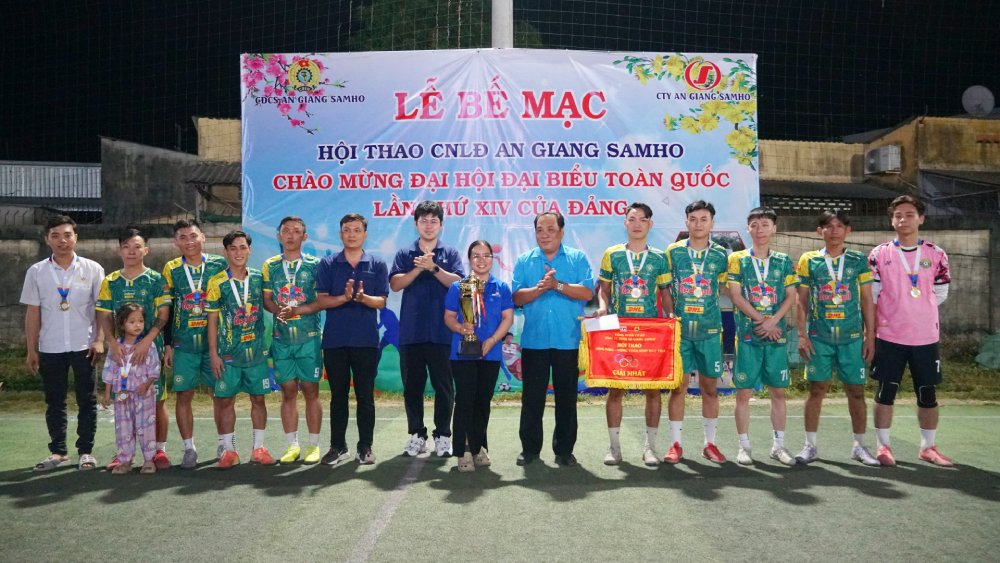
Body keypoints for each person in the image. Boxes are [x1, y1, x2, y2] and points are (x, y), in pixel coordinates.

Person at [289, 214, 388, 466]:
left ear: (365, 234)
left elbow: (382, 301)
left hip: (366, 341)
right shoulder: (329, 263)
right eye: (347, 230)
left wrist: (365, 298)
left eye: (357, 230)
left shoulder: (376, 263)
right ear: (340, 234)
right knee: (338, 396)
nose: (352, 234)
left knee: (365, 396)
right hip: (335, 341)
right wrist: (344, 298)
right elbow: (321, 301)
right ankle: (337, 446)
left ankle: (365, 447)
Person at [868, 196, 953, 467]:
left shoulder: (936, 254)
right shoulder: (879, 254)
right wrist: (896, 312)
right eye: (898, 216)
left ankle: (928, 448)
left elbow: (940, 292)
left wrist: (917, 309)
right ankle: (883, 446)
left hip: (925, 337)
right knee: (886, 391)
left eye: (909, 214)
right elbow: (873, 295)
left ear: (921, 218)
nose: (903, 220)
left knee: (927, 393)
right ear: (892, 221)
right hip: (889, 336)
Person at [795, 209, 879, 466]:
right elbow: (801, 301)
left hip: (852, 338)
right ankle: (810, 446)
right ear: (820, 231)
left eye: (839, 226)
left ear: (848, 230)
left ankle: (860, 446)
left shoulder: (857, 260)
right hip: (819, 337)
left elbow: (867, 300)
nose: (834, 231)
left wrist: (869, 336)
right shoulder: (809, 260)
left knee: (855, 391)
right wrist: (802, 335)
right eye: (828, 226)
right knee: (816, 389)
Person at [21, 215, 105, 471]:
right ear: (47, 239)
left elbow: (102, 309)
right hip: (50, 346)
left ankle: (86, 451)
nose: (62, 240)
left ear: (76, 237)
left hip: (85, 345)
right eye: (55, 235)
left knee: (87, 400)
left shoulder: (93, 269)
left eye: (67, 235)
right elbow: (33, 313)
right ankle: (58, 452)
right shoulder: (36, 272)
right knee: (54, 401)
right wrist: (31, 349)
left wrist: (100, 340)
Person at [512, 212, 595, 467]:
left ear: (561, 231)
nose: (544, 234)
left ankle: (564, 451)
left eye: (550, 228)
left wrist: (557, 285)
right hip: (534, 341)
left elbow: (587, 291)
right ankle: (530, 449)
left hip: (567, 341)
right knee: (532, 398)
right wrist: (540, 288)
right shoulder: (525, 260)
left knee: (567, 399)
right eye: (539, 229)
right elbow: (515, 298)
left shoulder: (577, 258)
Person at [595, 202, 672, 467]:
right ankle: (614, 448)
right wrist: (603, 308)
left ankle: (650, 448)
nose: (637, 223)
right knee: (616, 389)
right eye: (632, 218)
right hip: (619, 330)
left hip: (650, 332)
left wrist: (670, 316)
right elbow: (603, 288)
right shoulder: (612, 254)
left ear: (650, 224)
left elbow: (664, 292)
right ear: (625, 223)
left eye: (642, 219)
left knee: (653, 391)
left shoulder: (660, 257)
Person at [389, 201, 464, 458]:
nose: (429, 225)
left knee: (444, 386)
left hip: (443, 333)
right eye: (424, 221)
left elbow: (459, 283)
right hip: (412, 332)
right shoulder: (404, 254)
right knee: (413, 386)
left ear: (441, 225)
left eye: (434, 221)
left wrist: (433, 268)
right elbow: (396, 285)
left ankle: (443, 435)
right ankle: (416, 435)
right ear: (416, 224)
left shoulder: (450, 254)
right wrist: (417, 268)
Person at [726, 207, 798, 466]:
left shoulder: (783, 260)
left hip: (776, 336)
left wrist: (774, 321)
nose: (760, 230)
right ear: (748, 229)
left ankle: (779, 446)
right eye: (755, 225)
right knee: (743, 393)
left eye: (765, 224)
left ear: (774, 228)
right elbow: (735, 295)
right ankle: (744, 447)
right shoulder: (737, 259)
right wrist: (762, 321)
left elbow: (792, 295)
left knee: (778, 392)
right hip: (748, 336)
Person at [96, 227, 172, 471]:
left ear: (145, 250)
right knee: (123, 404)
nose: (132, 251)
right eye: (127, 246)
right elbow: (104, 314)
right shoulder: (110, 281)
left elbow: (163, 314)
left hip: (149, 348)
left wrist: (148, 340)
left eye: (137, 246)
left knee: (156, 401)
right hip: (122, 352)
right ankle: (124, 454)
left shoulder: (156, 279)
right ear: (120, 250)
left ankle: (158, 450)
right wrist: (111, 341)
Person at [663, 200, 730, 464]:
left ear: (712, 223)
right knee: (677, 388)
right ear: (686, 222)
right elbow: (665, 287)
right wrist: (670, 313)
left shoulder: (722, 255)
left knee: (710, 389)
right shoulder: (673, 252)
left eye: (704, 219)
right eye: (693, 219)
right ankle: (675, 444)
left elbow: (727, 289)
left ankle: (710, 444)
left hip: (710, 331)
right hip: (680, 332)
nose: (698, 224)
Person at [162, 219, 229, 469]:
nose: (189, 241)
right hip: (184, 344)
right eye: (182, 237)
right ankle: (189, 448)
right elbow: (166, 307)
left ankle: (224, 444)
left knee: (220, 395)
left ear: (203, 237)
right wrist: (168, 344)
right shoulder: (171, 268)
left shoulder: (219, 264)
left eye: (193, 236)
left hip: (216, 344)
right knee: (184, 396)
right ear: (175, 241)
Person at [443, 240, 514, 472]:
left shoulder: (501, 287)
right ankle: (463, 450)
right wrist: (460, 328)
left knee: (483, 402)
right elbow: (449, 318)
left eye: (486, 256)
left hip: (490, 354)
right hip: (463, 354)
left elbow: (507, 319)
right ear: (469, 259)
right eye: (476, 256)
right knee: (465, 401)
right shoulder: (460, 287)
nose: (481, 260)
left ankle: (478, 446)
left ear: (492, 259)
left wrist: (493, 341)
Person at [207, 230, 273, 469]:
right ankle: (229, 451)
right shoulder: (216, 282)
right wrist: (213, 353)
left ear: (249, 250)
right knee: (225, 401)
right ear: (226, 252)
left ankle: (258, 448)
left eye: (242, 247)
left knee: (259, 399)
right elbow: (212, 321)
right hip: (228, 355)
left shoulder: (258, 278)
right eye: (233, 248)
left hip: (255, 352)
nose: (238, 252)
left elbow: (269, 304)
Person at [261, 217, 324, 465]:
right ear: (278, 236)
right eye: (285, 231)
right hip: (282, 339)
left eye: (296, 231)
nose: (290, 235)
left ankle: (314, 445)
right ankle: (292, 446)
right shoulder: (270, 265)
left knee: (311, 391)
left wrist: (297, 311)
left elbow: (320, 301)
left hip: (308, 338)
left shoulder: (316, 265)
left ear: (304, 237)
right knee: (287, 392)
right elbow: (266, 300)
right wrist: (279, 311)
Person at [101, 303, 160, 474]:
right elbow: (109, 371)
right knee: (123, 428)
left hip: (144, 395)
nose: (137, 325)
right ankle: (125, 460)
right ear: (121, 324)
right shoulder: (116, 348)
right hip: (122, 396)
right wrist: (107, 394)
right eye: (132, 321)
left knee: (146, 427)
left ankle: (149, 460)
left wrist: (146, 385)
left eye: (140, 321)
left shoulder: (148, 345)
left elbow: (154, 369)